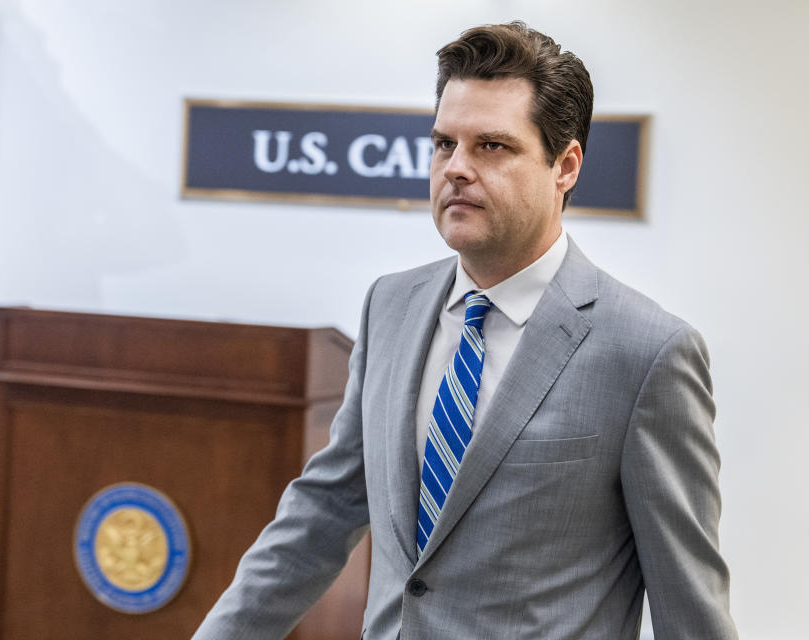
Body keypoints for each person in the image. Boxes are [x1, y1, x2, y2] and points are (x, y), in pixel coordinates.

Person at [193, 21, 737, 640]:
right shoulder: (391, 307)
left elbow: (689, 608)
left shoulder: (648, 354)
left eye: (492, 147)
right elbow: (321, 514)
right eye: (444, 144)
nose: (456, 168)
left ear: (565, 166)